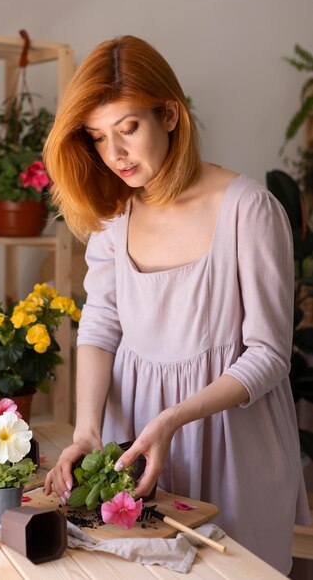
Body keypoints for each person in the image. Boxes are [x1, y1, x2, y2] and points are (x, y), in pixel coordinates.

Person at [43, 35, 310, 575]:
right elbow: (99, 324)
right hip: (134, 447)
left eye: (128, 129)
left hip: (233, 447)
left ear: (169, 114)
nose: (114, 154)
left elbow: (268, 354)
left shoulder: (248, 209)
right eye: (97, 138)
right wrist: (87, 432)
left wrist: (173, 418)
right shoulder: (115, 215)